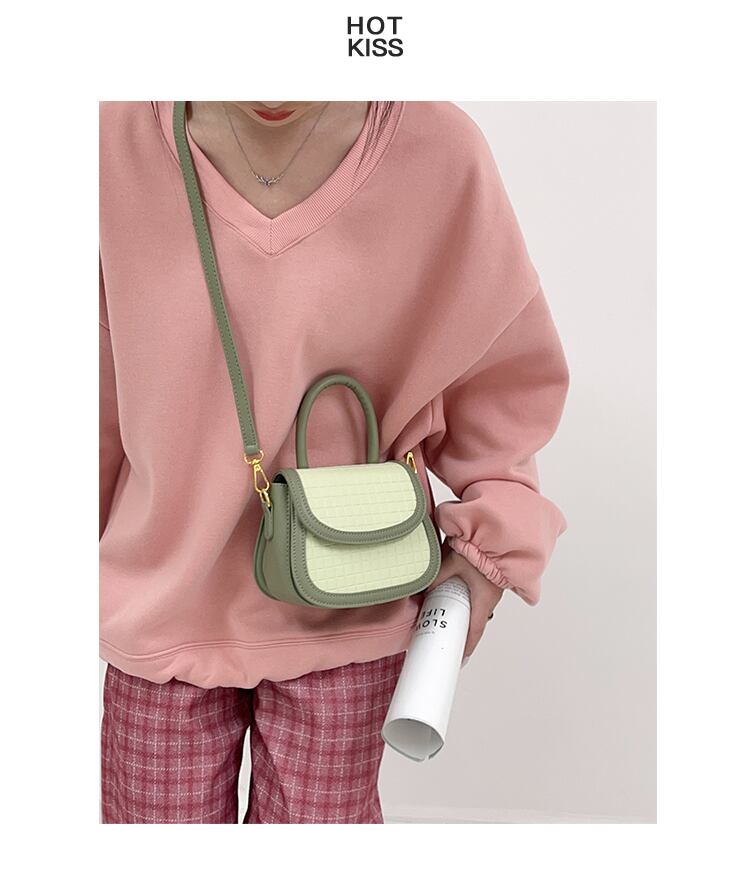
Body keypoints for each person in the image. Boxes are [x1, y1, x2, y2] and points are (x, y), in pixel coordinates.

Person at [99, 100, 569, 824]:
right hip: (161, 609)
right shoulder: (112, 139)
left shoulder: (437, 149)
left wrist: (489, 546)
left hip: (351, 603)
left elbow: (497, 373)